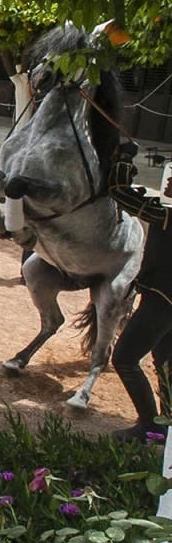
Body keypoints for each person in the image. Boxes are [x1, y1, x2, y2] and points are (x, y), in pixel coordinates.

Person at [107, 149, 172, 441]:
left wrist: (122, 159)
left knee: (124, 358)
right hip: (164, 299)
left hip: (163, 300)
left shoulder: (167, 215)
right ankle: (167, 424)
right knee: (166, 363)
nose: (168, 183)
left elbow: (119, 193)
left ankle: (150, 425)